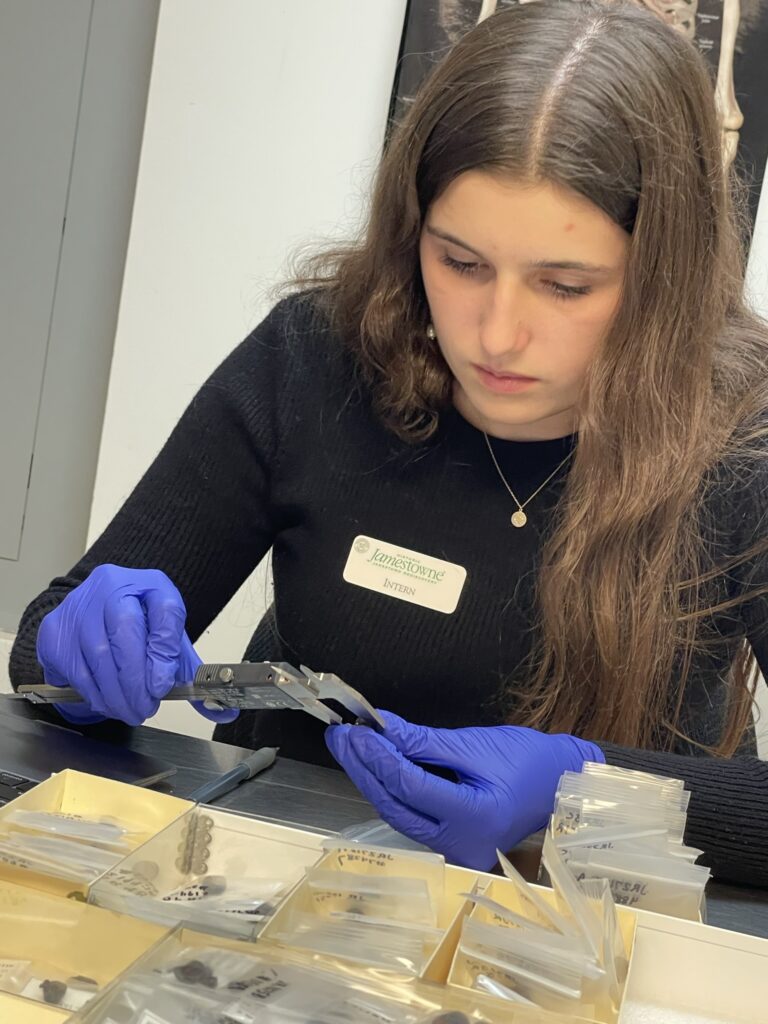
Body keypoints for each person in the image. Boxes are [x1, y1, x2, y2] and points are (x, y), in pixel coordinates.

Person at [10, 0, 768, 883]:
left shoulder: (742, 443)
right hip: (284, 885)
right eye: (460, 263)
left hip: (582, 934)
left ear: (661, 277)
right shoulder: (316, 358)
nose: (496, 334)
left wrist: (585, 789)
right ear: (413, 234)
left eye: (565, 286)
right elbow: (45, 658)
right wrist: (80, 642)